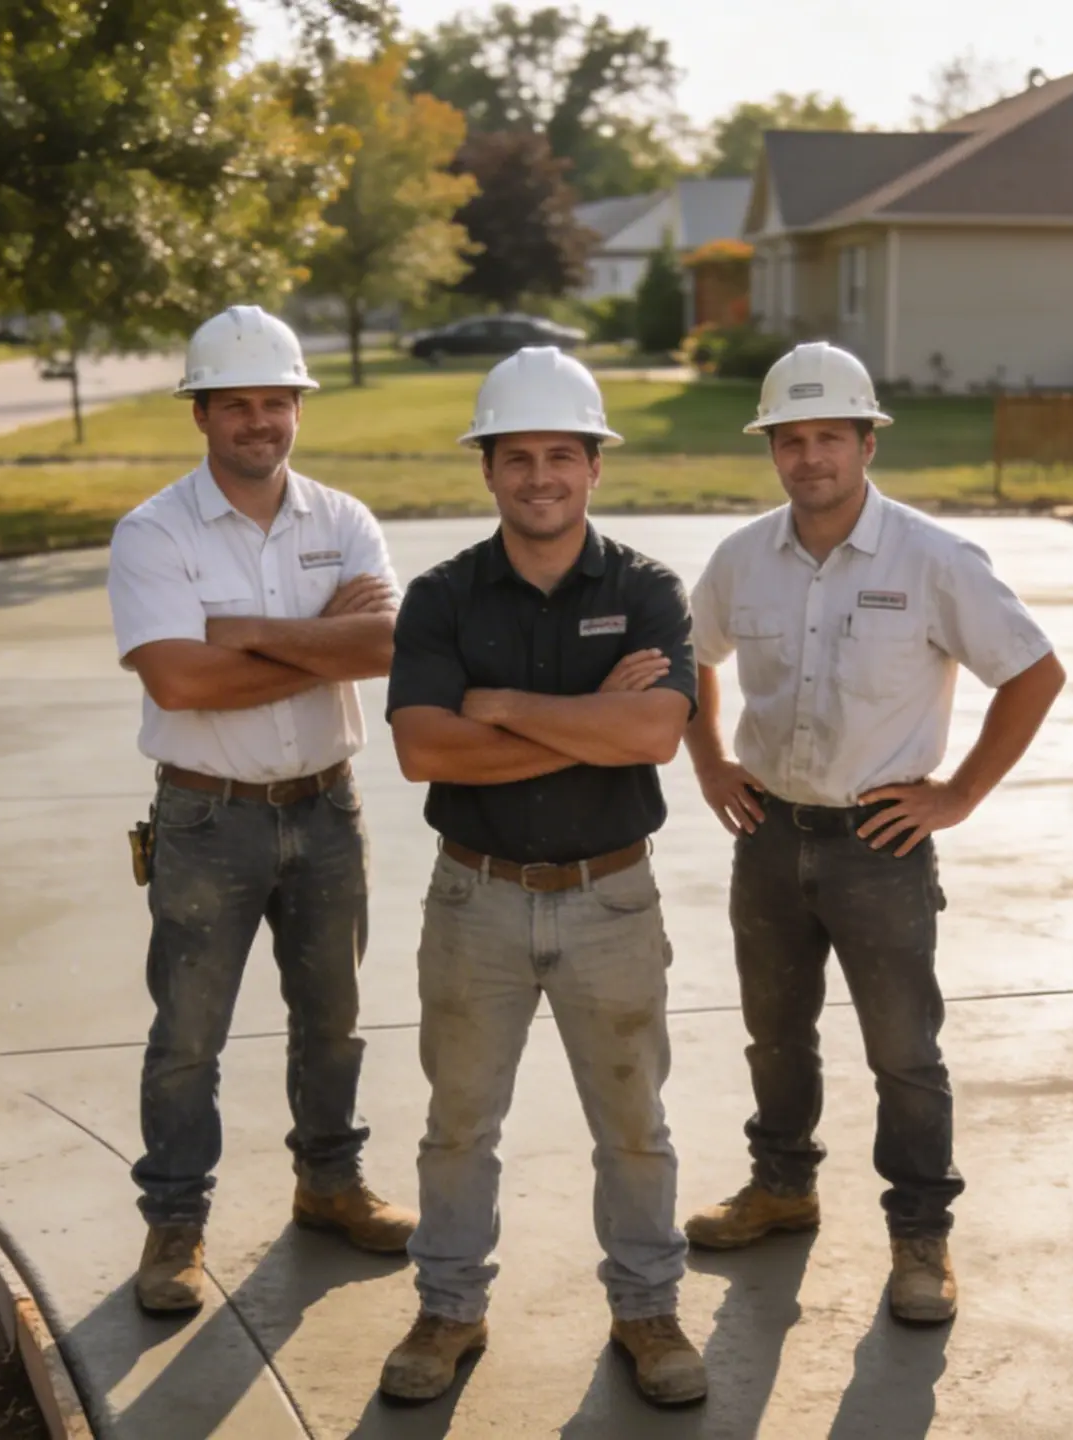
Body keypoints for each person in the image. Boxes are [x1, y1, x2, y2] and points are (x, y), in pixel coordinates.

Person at [680, 341, 1065, 1325]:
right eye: (790, 439)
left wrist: (959, 794)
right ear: (772, 446)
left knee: (903, 1051)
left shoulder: (934, 559)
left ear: (865, 441)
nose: (809, 457)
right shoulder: (741, 560)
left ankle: (920, 1237)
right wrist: (711, 762)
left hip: (880, 846)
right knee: (775, 1034)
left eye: (828, 438)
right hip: (767, 835)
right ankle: (781, 1187)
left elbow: (1031, 672)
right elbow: (689, 661)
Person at [374, 347, 706, 1406]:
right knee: (458, 1124)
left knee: (634, 1126)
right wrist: (588, 722)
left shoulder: (649, 589)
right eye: (516, 457)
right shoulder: (439, 597)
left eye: (561, 454)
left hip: (612, 898)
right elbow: (424, 750)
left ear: (594, 466)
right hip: (475, 897)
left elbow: (655, 734)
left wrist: (503, 706)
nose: (539, 477)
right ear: (488, 471)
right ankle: (449, 1309)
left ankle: (648, 1309)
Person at [107, 305, 416, 1316]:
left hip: (328, 811)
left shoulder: (344, 521)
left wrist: (240, 636)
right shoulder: (152, 533)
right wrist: (310, 637)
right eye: (234, 403)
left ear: (296, 407)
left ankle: (328, 1184)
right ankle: (176, 1224)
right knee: (188, 1033)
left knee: (331, 1022)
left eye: (275, 401)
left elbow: (383, 651)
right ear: (200, 413)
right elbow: (177, 685)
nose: (258, 421)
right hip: (207, 820)